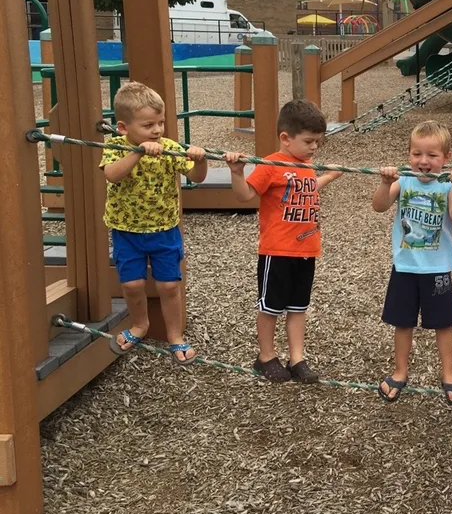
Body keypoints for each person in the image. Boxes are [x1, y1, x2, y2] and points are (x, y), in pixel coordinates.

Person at [224, 100, 343, 383]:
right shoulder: (271, 165)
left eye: (318, 141)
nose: (315, 147)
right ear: (286, 139)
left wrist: (327, 177)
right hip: (277, 251)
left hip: (307, 250)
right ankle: (265, 356)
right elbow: (245, 196)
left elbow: (307, 189)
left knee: (298, 307)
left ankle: (297, 358)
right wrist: (237, 173)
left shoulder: (306, 165)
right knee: (270, 307)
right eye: (309, 141)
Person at [100, 81, 208, 364]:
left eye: (160, 123)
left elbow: (196, 178)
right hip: (127, 230)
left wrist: (200, 160)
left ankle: (175, 335)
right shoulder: (114, 146)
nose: (158, 131)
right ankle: (140, 324)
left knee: (169, 286)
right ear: (124, 128)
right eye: (149, 125)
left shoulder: (169, 148)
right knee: (133, 284)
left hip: (164, 230)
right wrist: (138, 152)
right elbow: (112, 174)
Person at [373, 120, 452, 406]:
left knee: (444, 324)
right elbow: (379, 206)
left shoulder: (446, 185)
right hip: (405, 267)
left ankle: (449, 374)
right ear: (409, 154)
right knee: (402, 323)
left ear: (446, 158)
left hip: (437, 268)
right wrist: (385, 182)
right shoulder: (403, 180)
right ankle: (400, 372)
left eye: (432, 155)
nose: (424, 161)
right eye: (417, 154)